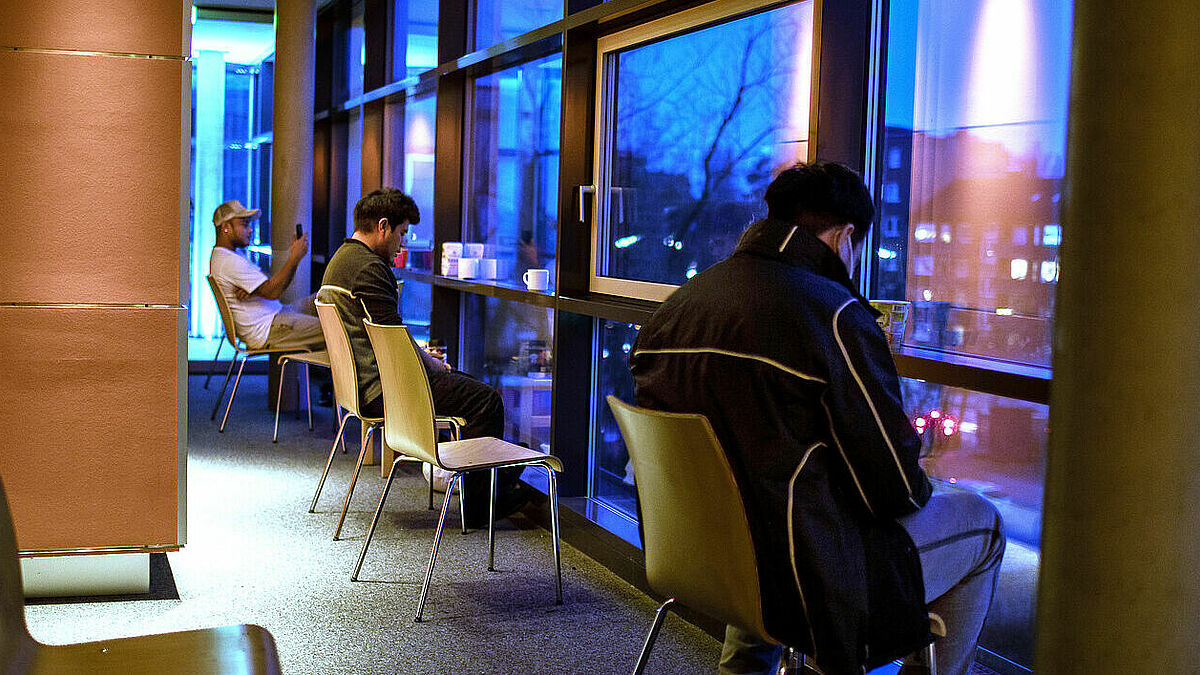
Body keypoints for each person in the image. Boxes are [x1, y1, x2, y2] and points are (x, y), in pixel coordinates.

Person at [629, 161, 1005, 675]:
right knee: (983, 525)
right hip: (802, 575)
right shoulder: (833, 315)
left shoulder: (675, 310)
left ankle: (743, 667)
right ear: (845, 237)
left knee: (764, 498)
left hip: (699, 556)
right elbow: (894, 489)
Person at [321, 188, 529, 528]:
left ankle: (493, 478)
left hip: (363, 385)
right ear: (384, 227)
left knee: (470, 385)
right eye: (402, 233)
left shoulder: (341, 261)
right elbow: (393, 342)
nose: (403, 244)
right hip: (385, 390)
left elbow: (387, 335)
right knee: (486, 401)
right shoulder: (371, 269)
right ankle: (481, 504)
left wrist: (429, 361)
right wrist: (432, 363)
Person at [208, 200, 324, 352]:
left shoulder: (229, 256)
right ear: (225, 228)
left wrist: (254, 288)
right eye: (244, 225)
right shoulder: (228, 261)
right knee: (337, 330)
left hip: (277, 315)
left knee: (325, 298)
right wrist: (294, 258)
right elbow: (273, 291)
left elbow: (267, 284)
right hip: (269, 328)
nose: (250, 230)